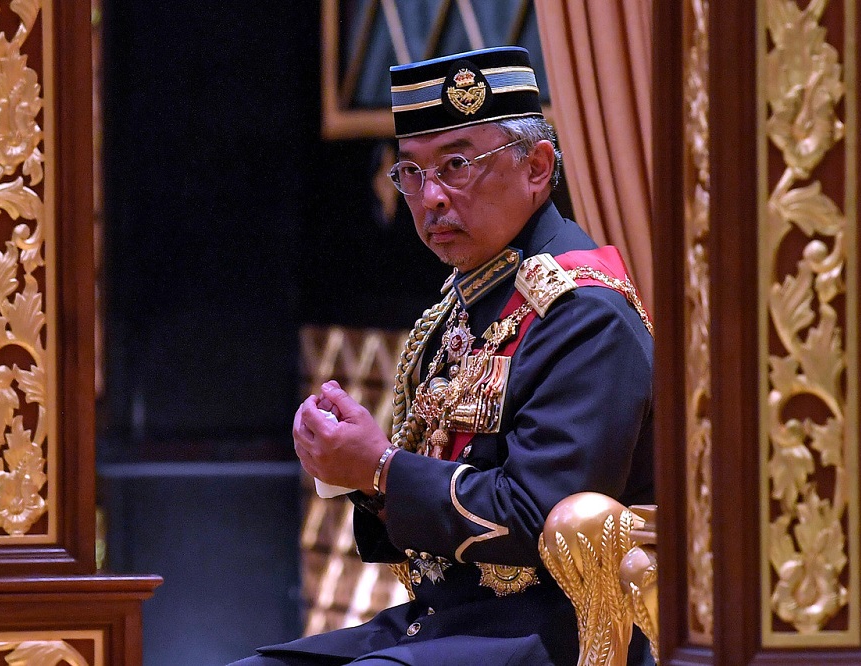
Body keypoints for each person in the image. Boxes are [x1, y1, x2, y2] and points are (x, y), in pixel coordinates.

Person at [233, 46, 654, 665]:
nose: (429, 198)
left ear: (537, 167)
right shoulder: (462, 305)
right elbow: (409, 532)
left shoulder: (586, 313)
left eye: (457, 165)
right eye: (409, 172)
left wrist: (379, 470)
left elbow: (537, 517)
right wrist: (355, 469)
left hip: (546, 634)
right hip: (443, 625)